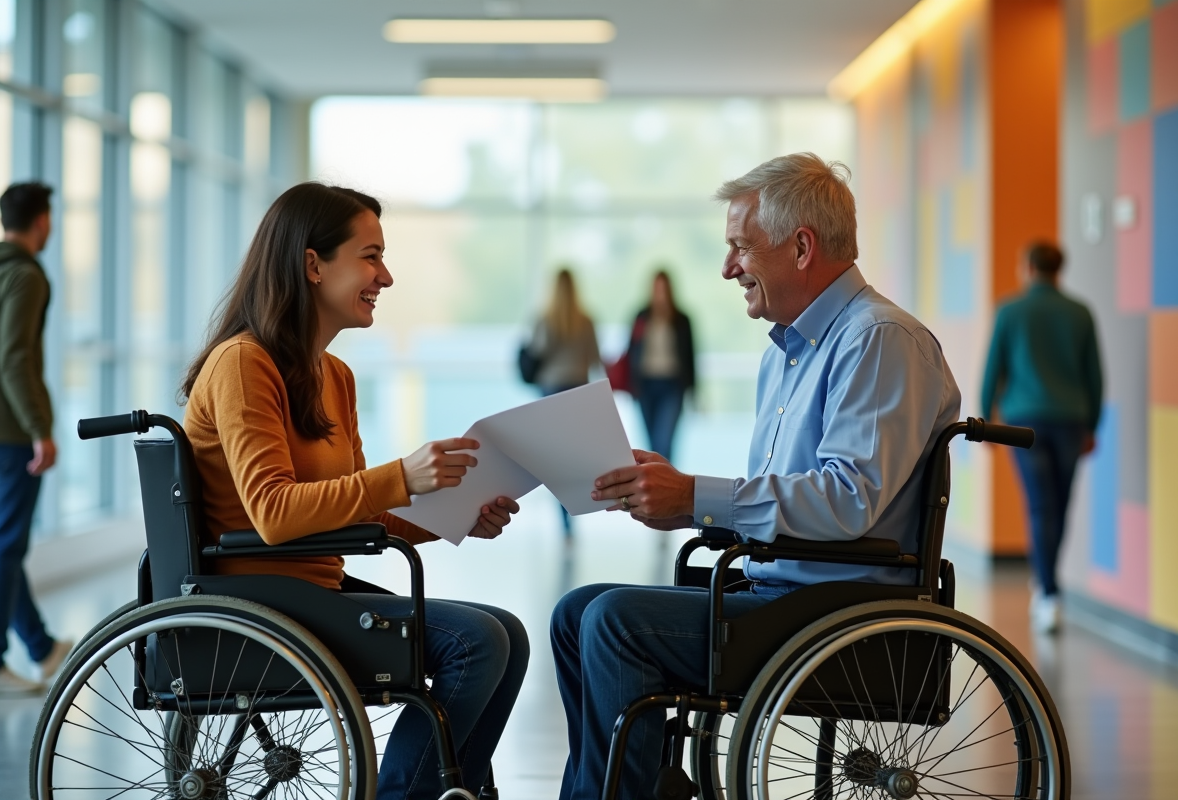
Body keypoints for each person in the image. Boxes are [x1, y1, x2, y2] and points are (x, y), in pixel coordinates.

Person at [549, 153, 962, 800]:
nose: (726, 268)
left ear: (801, 247)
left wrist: (694, 498)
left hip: (842, 610)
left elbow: (849, 500)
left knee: (614, 622)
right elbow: (792, 497)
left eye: (741, 247)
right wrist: (681, 488)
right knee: (576, 612)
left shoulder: (879, 341)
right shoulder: (791, 353)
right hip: (783, 590)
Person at [180, 182, 528, 800]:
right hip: (257, 600)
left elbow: (362, 513)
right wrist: (400, 476)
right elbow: (274, 514)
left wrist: (456, 515)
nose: (386, 277)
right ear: (313, 264)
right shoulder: (242, 364)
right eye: (370, 256)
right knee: (476, 642)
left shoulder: (332, 376)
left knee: (507, 632)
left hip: (315, 591)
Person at [0, 182, 72, 697]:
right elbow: (16, 359)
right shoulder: (24, 275)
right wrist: (40, 429)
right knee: (6, 545)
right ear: (41, 221)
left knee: (1, 544)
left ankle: (40, 647)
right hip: (7, 434)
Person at [981, 241, 1102, 634]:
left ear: (1029, 267)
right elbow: (1094, 376)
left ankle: (1047, 590)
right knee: (1059, 505)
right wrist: (1093, 426)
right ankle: (1048, 586)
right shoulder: (1080, 313)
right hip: (1071, 420)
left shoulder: (1010, 311)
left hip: (1024, 423)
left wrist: (984, 422)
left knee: (1040, 506)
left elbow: (993, 370)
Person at [528, 268, 602, 536]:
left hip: (551, 389)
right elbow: (595, 358)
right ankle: (575, 508)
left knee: (554, 456)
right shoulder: (587, 320)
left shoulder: (544, 320)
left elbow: (536, 353)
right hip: (578, 389)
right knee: (572, 455)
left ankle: (564, 518)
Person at [626, 270, 696, 463]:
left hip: (672, 385)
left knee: (664, 442)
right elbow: (631, 351)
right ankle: (654, 487)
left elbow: (690, 357)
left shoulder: (681, 319)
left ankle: (666, 488)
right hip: (646, 385)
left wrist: (694, 392)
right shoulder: (641, 316)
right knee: (652, 444)